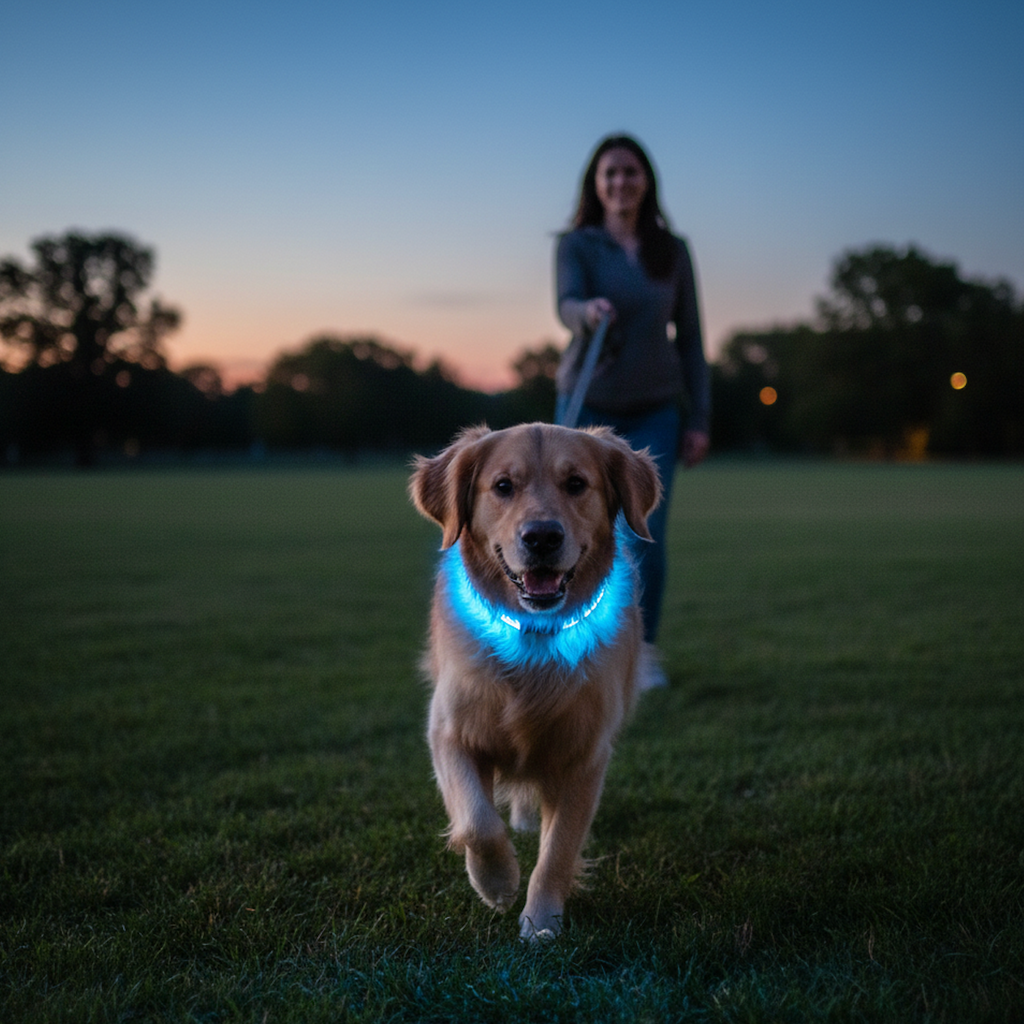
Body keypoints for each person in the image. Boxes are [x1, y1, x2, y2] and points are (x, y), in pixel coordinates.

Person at [554, 134, 710, 684]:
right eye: (610, 173)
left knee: (644, 533)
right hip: (587, 408)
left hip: (656, 413)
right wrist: (586, 311)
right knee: (571, 527)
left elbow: (691, 339)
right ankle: (568, 647)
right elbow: (565, 303)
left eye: (630, 171)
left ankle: (638, 655)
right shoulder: (577, 245)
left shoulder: (673, 250)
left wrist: (699, 419)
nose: (621, 182)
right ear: (595, 185)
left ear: (647, 180)